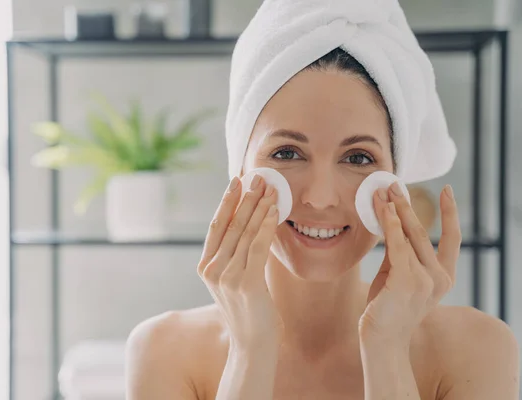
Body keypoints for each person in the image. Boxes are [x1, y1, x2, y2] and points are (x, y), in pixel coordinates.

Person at [124, 5, 520, 400]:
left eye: (358, 158)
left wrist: (387, 348)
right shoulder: (163, 352)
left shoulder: (475, 350)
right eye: (287, 153)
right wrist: (250, 354)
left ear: (396, 181)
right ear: (239, 170)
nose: (320, 197)